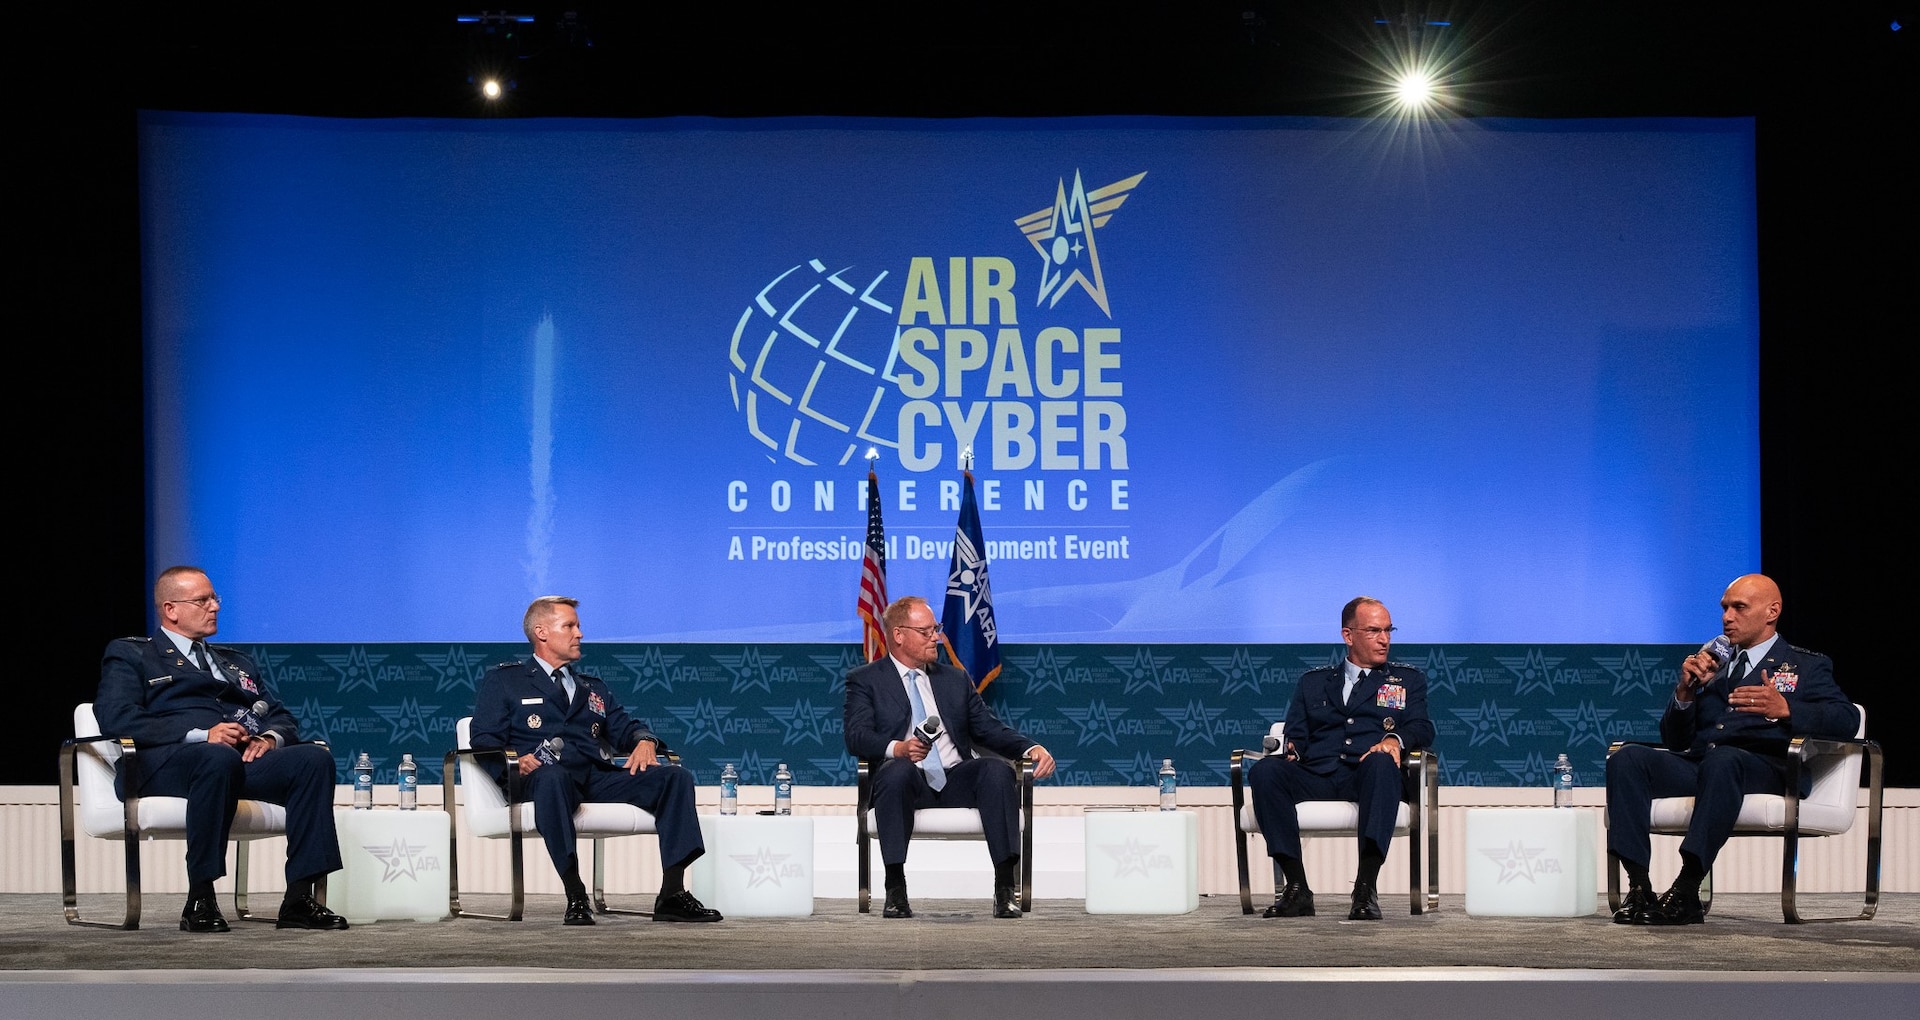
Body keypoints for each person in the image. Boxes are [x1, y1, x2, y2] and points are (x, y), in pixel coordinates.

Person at [95, 566, 348, 932]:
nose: (214, 606)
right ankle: (200, 896)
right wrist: (201, 733)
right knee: (215, 756)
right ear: (171, 610)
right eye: (203, 600)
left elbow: (279, 715)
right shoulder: (133, 654)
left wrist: (269, 739)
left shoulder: (235, 661)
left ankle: (298, 899)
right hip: (163, 762)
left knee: (312, 759)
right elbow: (115, 717)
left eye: (215, 599)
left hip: (231, 762)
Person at [1606, 573, 1857, 925]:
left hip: (1767, 768)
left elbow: (1845, 719)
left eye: (1739, 607)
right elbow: (1676, 742)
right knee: (1628, 757)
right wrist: (1685, 693)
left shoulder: (1805, 665)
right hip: (1707, 766)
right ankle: (1639, 888)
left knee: (1724, 760)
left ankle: (1687, 889)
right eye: (1724, 608)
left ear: (1772, 611)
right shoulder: (1715, 665)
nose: (1727, 617)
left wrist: (1787, 708)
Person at [471, 596, 720, 925]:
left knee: (676, 777)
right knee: (553, 777)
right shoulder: (506, 681)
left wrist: (645, 740)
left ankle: (672, 893)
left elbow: (624, 728)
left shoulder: (592, 687)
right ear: (542, 632)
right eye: (570, 626)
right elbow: (484, 739)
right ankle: (575, 894)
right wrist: (514, 762)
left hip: (593, 776)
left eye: (578, 625)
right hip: (541, 779)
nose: (580, 633)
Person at [843, 595, 1056, 919]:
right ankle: (895, 888)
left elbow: (987, 729)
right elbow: (856, 735)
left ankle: (1004, 888)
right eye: (926, 631)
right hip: (906, 782)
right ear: (898, 635)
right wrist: (898, 748)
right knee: (897, 772)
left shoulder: (954, 679)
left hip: (956, 777)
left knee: (996, 772)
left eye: (936, 629)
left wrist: (1030, 748)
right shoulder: (865, 680)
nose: (936, 637)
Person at [1247, 596, 1433, 921]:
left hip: (1367, 776)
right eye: (1374, 631)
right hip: (1316, 773)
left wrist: (1393, 740)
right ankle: (1297, 888)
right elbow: (1297, 732)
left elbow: (1421, 726)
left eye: (1389, 630)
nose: (1385, 639)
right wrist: (1293, 748)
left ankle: (1365, 887)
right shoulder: (1313, 682)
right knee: (1265, 772)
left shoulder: (1405, 680)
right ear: (1348, 636)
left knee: (1380, 763)